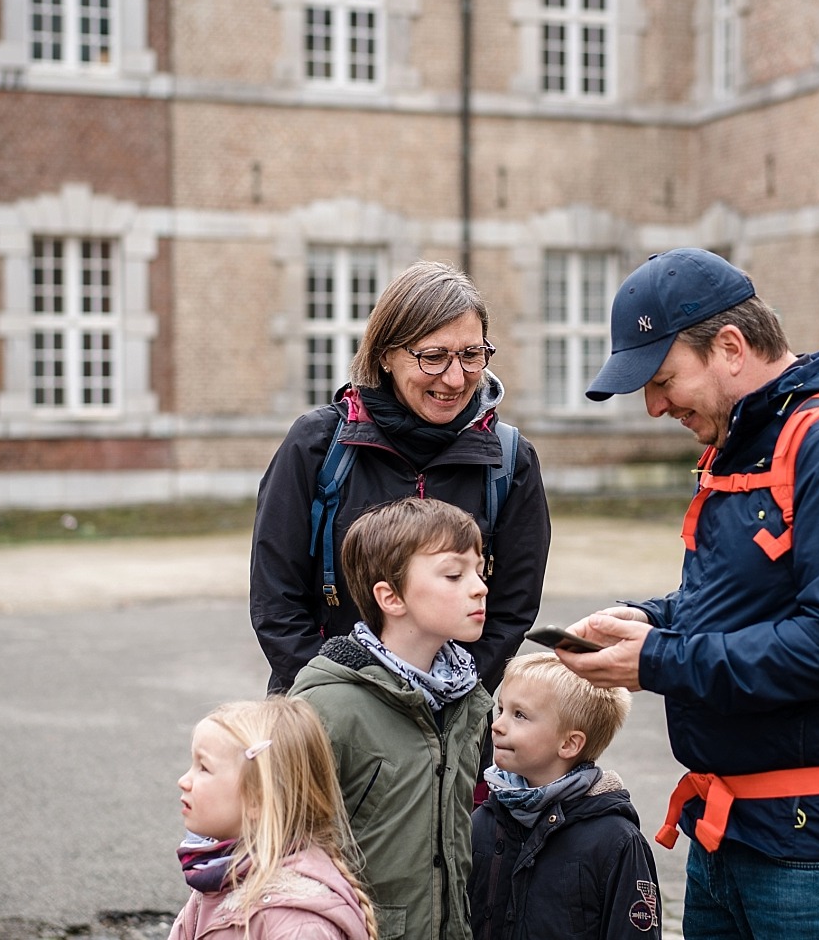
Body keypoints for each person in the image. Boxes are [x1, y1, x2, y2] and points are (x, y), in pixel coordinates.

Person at [556, 248, 819, 940]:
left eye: (664, 379)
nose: (655, 406)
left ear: (730, 347)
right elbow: (743, 605)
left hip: (818, 851)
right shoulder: (744, 444)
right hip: (729, 834)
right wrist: (647, 620)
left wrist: (658, 659)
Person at [251, 259, 551, 696]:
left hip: (450, 721)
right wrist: (340, 699)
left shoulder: (509, 460)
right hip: (325, 712)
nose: (454, 378)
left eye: (472, 355)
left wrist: (442, 699)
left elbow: (510, 611)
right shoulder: (316, 446)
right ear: (386, 355)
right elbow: (276, 600)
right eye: (433, 357)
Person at [291, 497, 495, 940]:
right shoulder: (327, 707)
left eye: (480, 571)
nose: (479, 587)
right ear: (391, 597)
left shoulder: (468, 698)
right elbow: (284, 843)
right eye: (454, 574)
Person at [469, 652, 662, 940]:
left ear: (569, 744)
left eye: (519, 715)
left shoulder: (615, 841)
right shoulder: (482, 822)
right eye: (501, 710)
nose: (497, 725)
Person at [171, 696, 377, 940]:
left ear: (258, 799)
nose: (183, 781)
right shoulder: (216, 879)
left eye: (203, 768)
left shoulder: (299, 926)